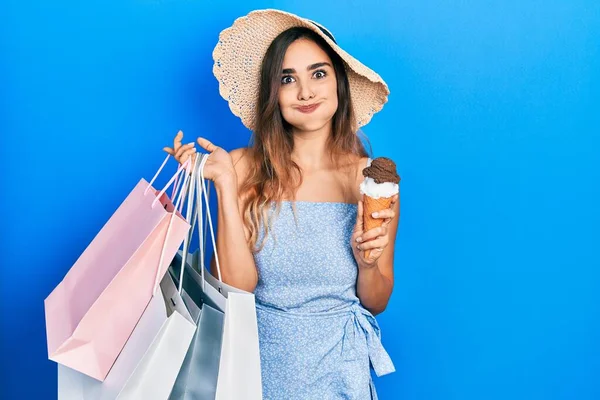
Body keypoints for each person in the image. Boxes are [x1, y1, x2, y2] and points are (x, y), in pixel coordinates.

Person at [163, 9, 400, 400]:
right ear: (273, 93)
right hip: (253, 373)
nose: (305, 91)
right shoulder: (240, 166)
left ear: (339, 84)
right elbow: (235, 289)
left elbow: (375, 302)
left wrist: (367, 262)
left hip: (340, 375)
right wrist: (224, 182)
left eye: (318, 74)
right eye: (288, 79)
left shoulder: (370, 180)